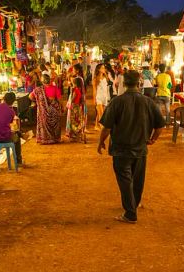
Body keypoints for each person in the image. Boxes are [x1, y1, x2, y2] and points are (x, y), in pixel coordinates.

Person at [97, 70, 165, 223]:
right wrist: (153, 139)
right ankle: (134, 203)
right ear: (139, 83)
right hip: (140, 148)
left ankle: (130, 213)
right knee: (137, 178)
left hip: (121, 149)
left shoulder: (117, 102)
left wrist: (101, 141)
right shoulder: (148, 102)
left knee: (125, 180)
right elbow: (160, 125)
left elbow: (106, 127)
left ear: (124, 83)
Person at [29, 75, 62, 145]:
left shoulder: (38, 90)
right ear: (50, 80)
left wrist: (38, 101)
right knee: (55, 123)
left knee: (43, 121)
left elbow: (30, 96)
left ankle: (45, 139)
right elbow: (59, 100)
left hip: (43, 112)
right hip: (54, 111)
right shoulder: (55, 88)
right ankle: (54, 139)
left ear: (42, 81)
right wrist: (62, 108)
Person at [66, 63, 87, 143]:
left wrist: (71, 102)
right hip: (77, 103)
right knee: (77, 119)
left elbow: (77, 93)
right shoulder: (78, 79)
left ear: (77, 71)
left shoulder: (78, 80)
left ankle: (76, 134)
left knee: (74, 119)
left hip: (75, 104)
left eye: (74, 70)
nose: (72, 71)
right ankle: (77, 134)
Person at [93, 64, 110, 131]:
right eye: (102, 68)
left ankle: (96, 125)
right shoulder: (95, 79)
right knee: (101, 114)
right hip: (98, 97)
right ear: (98, 69)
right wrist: (94, 99)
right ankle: (103, 128)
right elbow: (94, 90)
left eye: (104, 68)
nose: (104, 69)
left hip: (104, 97)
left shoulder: (106, 77)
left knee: (99, 113)